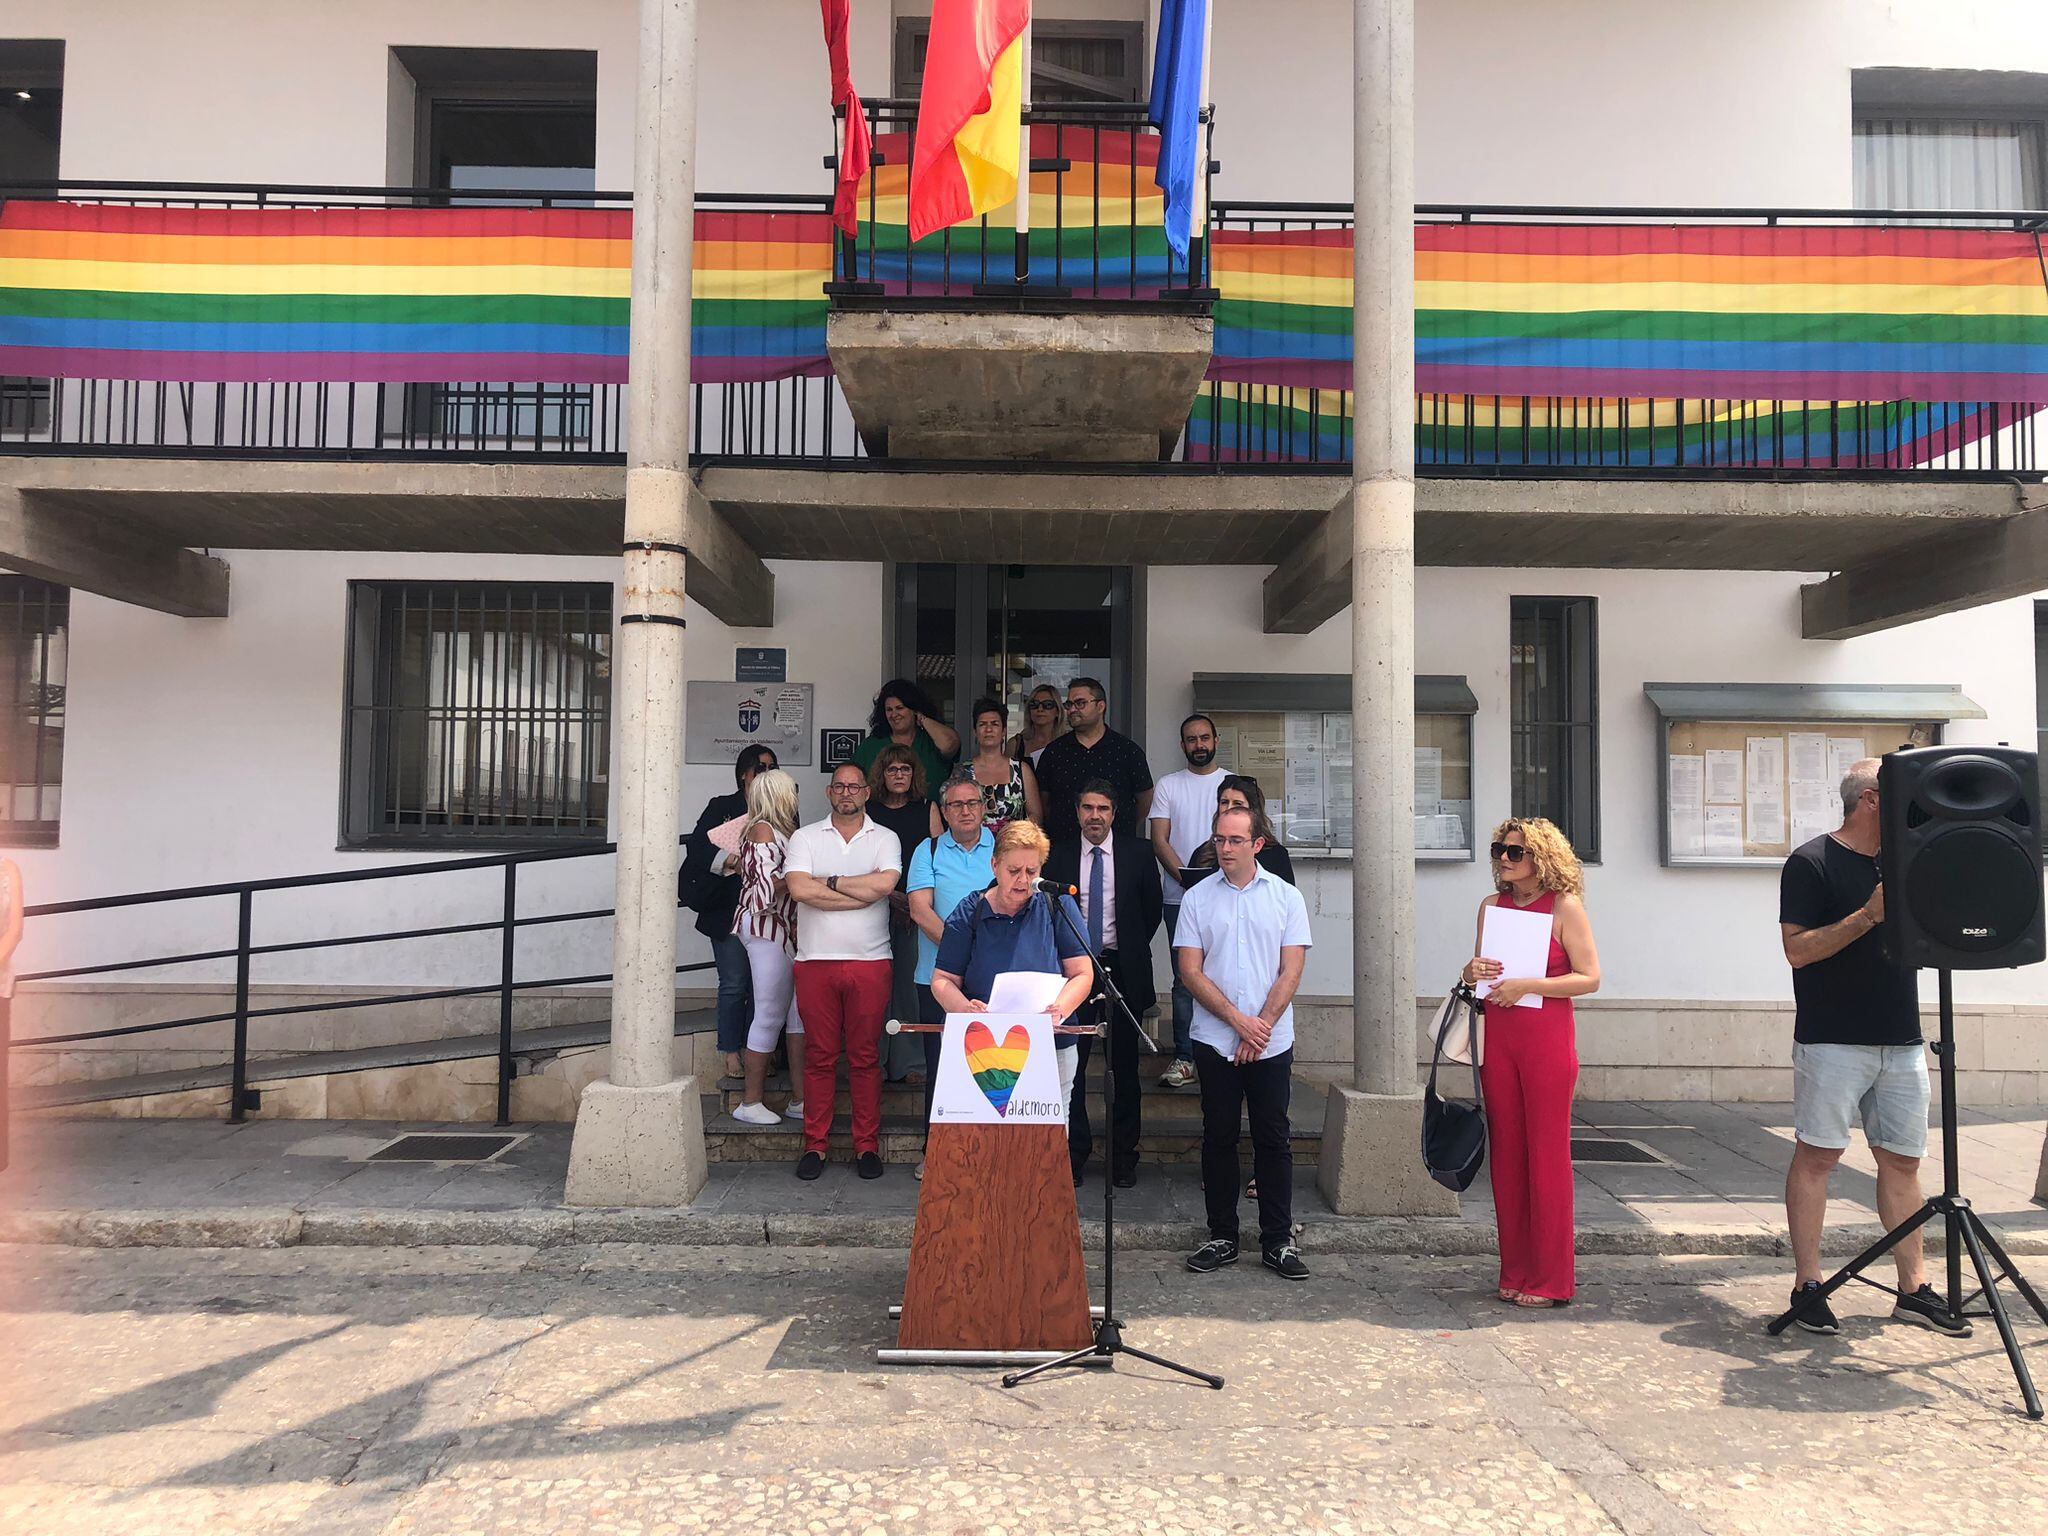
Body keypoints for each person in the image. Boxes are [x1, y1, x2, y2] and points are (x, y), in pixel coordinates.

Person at [1777, 758, 1966, 1337]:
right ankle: (1809, 1284)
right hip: (1833, 1039)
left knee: (1903, 1163)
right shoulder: (1812, 862)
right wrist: (1866, 916)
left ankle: (1913, 1289)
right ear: (1871, 800)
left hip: (1902, 1039)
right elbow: (1797, 951)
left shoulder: (1907, 862)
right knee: (1818, 1157)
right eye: (1901, 792)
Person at [1461, 817, 1602, 1308]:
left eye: (1514, 852)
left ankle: (1551, 1278)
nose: (1503, 857)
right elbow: (1483, 973)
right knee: (1508, 1156)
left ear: (1541, 857)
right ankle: (1515, 1269)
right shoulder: (1490, 906)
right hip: (1500, 1036)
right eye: (1499, 848)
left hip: (1546, 1038)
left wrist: (1531, 984)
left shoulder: (1565, 907)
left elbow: (1590, 978)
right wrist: (1471, 970)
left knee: (1546, 1157)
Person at [1177, 805, 1313, 1281]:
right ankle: (1222, 1235)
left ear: (1257, 844)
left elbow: (1291, 969)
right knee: (1218, 1137)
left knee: (1273, 1138)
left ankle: (1278, 1240)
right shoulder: (1196, 898)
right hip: (1216, 1039)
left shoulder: (1286, 897)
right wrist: (1239, 1022)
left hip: (1270, 1041)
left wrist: (1262, 1026)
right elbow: (1189, 971)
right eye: (1219, 840)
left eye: (1235, 840)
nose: (1225, 849)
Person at [931, 820, 1095, 1123]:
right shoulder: (970, 911)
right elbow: (942, 981)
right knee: (985, 1142)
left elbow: (1083, 973)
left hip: (1050, 1042)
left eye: (1031, 872)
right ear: (994, 865)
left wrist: (1060, 1010)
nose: (1022, 880)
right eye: (1013, 871)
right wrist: (963, 1008)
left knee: (1048, 1141)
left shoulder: (1057, 905)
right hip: (980, 1048)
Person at [785, 763, 903, 1181]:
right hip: (815, 961)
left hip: (871, 961)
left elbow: (884, 887)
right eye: (840, 786)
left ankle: (865, 1145)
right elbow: (799, 889)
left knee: (865, 1057)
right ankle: (815, 1145)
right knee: (819, 1057)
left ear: (867, 793)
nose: (847, 792)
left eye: (855, 786)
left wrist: (829, 882)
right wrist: (857, 892)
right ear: (829, 792)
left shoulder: (885, 837)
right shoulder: (804, 837)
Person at [1048, 781, 1163, 1186]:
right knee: (1070, 1068)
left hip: (1123, 970)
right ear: (1077, 811)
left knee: (1125, 1071)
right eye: (1087, 808)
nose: (1094, 816)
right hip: (1073, 973)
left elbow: (1150, 913)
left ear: (1115, 813)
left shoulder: (1138, 853)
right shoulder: (1058, 854)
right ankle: (1073, 1154)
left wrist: (1124, 950)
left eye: (1103, 809)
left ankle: (1122, 1158)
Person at [906, 768, 996, 1178]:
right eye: (956, 804)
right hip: (937, 976)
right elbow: (921, 910)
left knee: (993, 1067)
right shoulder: (928, 849)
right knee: (941, 1068)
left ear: (983, 808)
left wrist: (978, 958)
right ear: (943, 811)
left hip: (992, 977)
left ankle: (989, 1151)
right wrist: (962, 953)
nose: (965, 811)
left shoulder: (1003, 846)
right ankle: (936, 1151)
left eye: (972, 803)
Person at [679, 743, 779, 1080]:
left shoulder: (781, 809)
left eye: (770, 768)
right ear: (743, 774)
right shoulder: (721, 807)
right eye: (759, 768)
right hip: (727, 910)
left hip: (768, 913)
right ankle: (731, 1051)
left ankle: (760, 1052)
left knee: (764, 986)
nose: (765, 774)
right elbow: (698, 845)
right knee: (735, 983)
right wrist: (729, 860)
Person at [1149, 714, 1228, 1091]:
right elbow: (1159, 839)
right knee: (1185, 979)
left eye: (1204, 738)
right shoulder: (1169, 785)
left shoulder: (1231, 785)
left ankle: (1220, 1052)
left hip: (1227, 897)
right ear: (1182, 745)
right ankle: (1185, 1056)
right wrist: (1187, 880)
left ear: (1215, 739)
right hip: (1178, 898)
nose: (1198, 745)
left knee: (1225, 973)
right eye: (1191, 739)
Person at [728, 769, 807, 1128]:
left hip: (782, 931)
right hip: (766, 929)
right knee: (770, 1014)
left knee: (796, 1015)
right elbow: (764, 889)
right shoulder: (763, 830)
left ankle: (800, 1099)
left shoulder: (779, 831)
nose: (795, 797)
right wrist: (803, 879)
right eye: (790, 792)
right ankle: (750, 1101)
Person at [866, 745, 942, 1082]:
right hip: (872, 906)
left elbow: (939, 860)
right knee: (877, 987)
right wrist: (888, 894)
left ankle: (911, 1064)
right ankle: (877, 1062)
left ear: (914, 775)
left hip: (917, 909)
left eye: (905, 769)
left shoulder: (927, 808)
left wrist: (915, 902)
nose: (899, 775)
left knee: (910, 987)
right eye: (892, 769)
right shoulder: (867, 811)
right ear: (882, 774)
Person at [1033, 677, 1153, 847]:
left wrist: (1123, 824)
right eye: (1069, 705)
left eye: (1080, 703)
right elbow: (1043, 802)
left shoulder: (1127, 751)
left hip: (1117, 849)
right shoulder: (1054, 752)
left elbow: (1145, 799)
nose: (1072, 709)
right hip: (1064, 850)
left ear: (1100, 706)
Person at [852, 678, 959, 801]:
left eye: (900, 708)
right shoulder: (872, 744)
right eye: (889, 710)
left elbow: (950, 745)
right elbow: (853, 781)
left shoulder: (930, 741)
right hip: (879, 817)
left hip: (930, 816)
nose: (894, 714)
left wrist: (923, 719)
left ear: (914, 709)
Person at [967, 695, 1043, 832]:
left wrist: (1017, 835)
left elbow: (1036, 815)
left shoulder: (1021, 770)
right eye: (982, 724)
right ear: (975, 732)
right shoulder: (962, 772)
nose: (988, 729)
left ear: (1003, 731)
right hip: (970, 849)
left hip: (1014, 848)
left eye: (994, 724)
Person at [1007, 682, 1067, 769]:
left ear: (1058, 711)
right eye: (1034, 704)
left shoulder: (1067, 744)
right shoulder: (1016, 745)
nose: (1040, 709)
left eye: (1048, 705)